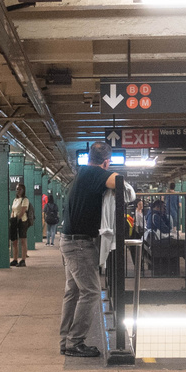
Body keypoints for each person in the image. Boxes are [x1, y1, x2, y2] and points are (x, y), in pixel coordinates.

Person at [58, 142, 119, 357]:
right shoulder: (95, 173)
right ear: (105, 161)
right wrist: (111, 171)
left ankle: (67, 340)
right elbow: (118, 182)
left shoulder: (83, 173)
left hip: (70, 241)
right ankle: (75, 342)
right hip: (79, 245)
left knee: (73, 292)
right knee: (91, 292)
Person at [8, 182, 31, 266]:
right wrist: (12, 218)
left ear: (23, 190)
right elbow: (13, 210)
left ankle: (23, 260)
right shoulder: (15, 200)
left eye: (20, 189)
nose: (18, 191)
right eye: (17, 189)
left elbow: (23, 211)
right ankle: (15, 259)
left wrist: (17, 219)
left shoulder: (25, 200)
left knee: (23, 240)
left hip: (22, 221)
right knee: (14, 241)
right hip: (14, 221)